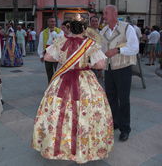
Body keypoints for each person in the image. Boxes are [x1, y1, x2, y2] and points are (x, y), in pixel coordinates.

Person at [32, 20, 114, 164]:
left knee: (57, 110)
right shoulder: (90, 43)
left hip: (63, 78)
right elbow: (100, 64)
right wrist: (88, 63)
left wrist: (63, 61)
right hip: (85, 79)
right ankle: (84, 147)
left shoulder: (60, 40)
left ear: (69, 29)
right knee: (88, 110)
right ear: (83, 30)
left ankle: (58, 146)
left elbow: (47, 57)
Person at [101, 5, 139, 141]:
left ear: (114, 13)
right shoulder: (103, 31)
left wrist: (117, 50)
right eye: (103, 13)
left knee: (123, 99)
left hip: (123, 68)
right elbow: (100, 49)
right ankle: (115, 122)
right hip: (109, 69)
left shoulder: (127, 28)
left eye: (106, 13)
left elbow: (135, 48)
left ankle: (125, 128)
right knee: (110, 98)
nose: (103, 15)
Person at [37, 17, 64, 83]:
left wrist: (54, 34)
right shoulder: (43, 33)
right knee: (49, 73)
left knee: (58, 73)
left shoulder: (60, 31)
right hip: (47, 54)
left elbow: (62, 42)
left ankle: (57, 88)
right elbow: (40, 44)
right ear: (48, 22)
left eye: (54, 21)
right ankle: (50, 88)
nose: (53, 23)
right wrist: (41, 55)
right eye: (51, 21)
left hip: (57, 55)